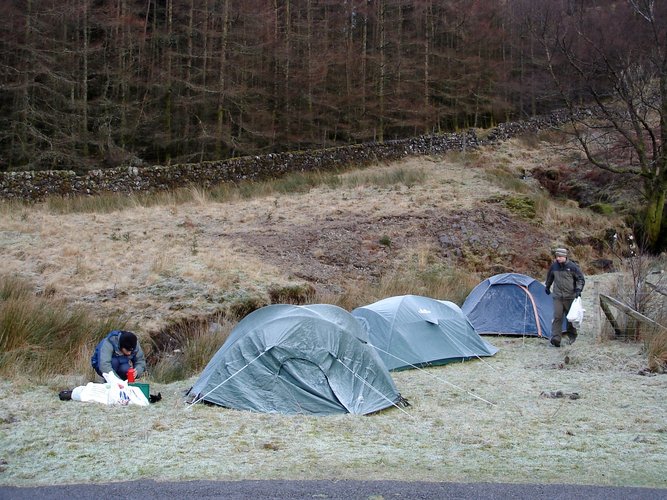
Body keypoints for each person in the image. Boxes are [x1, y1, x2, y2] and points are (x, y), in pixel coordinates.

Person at [545, 248, 585, 347]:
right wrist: (547, 286)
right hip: (557, 297)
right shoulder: (554, 266)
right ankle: (556, 338)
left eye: (560, 257)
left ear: (565, 256)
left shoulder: (572, 267)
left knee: (570, 318)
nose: (558, 258)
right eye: (556, 257)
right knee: (557, 317)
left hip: (570, 297)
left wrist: (578, 290)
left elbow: (580, 279)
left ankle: (572, 336)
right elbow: (550, 277)